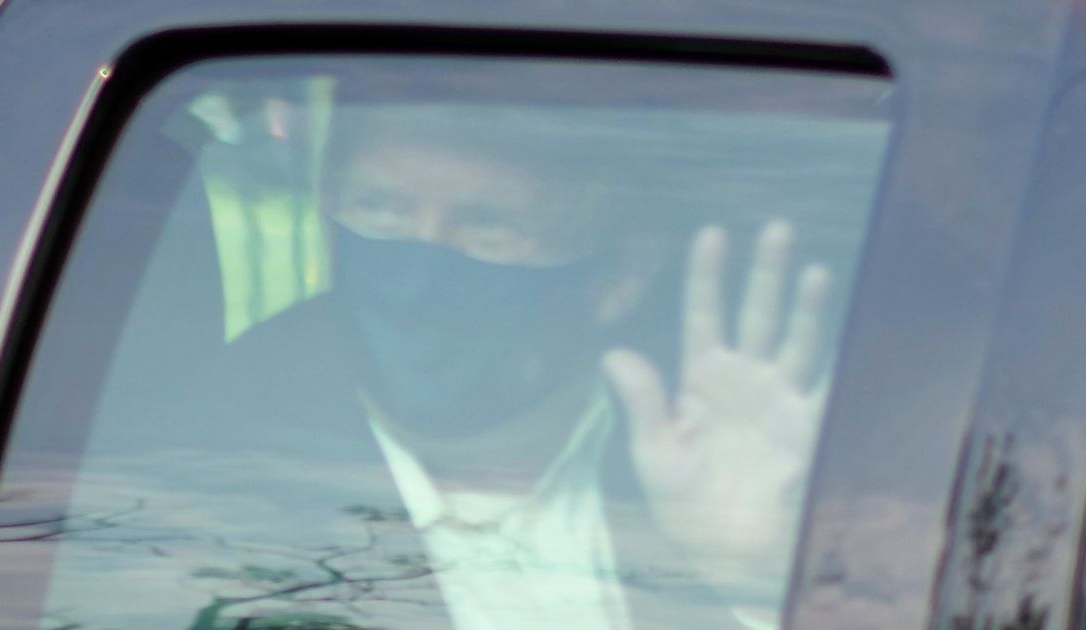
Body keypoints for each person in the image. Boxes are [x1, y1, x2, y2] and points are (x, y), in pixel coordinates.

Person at [206, 101, 833, 630]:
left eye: (488, 225)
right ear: (328, 224)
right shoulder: (210, 478)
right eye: (382, 212)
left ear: (621, 273)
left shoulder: (710, 471)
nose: (424, 274)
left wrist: (752, 579)